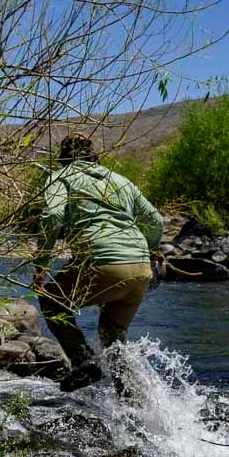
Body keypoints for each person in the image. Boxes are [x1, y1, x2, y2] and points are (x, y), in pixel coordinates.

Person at [33, 133, 163, 392]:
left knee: (51, 300)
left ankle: (82, 362)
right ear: (94, 155)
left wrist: (41, 266)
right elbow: (156, 221)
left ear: (64, 157)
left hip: (102, 263)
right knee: (112, 339)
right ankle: (133, 403)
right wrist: (151, 251)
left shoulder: (61, 177)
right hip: (140, 269)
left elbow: (52, 215)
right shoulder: (121, 181)